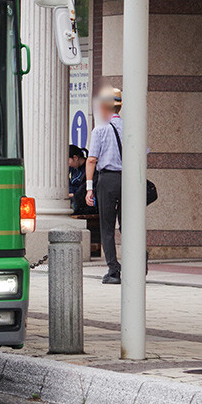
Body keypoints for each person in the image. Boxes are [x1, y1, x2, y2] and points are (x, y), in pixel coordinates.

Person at [85, 86, 123, 284]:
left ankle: (114, 271)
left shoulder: (100, 129)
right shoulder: (131, 128)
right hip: (129, 180)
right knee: (129, 226)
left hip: (107, 180)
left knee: (107, 227)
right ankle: (138, 265)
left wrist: (89, 187)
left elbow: (91, 160)